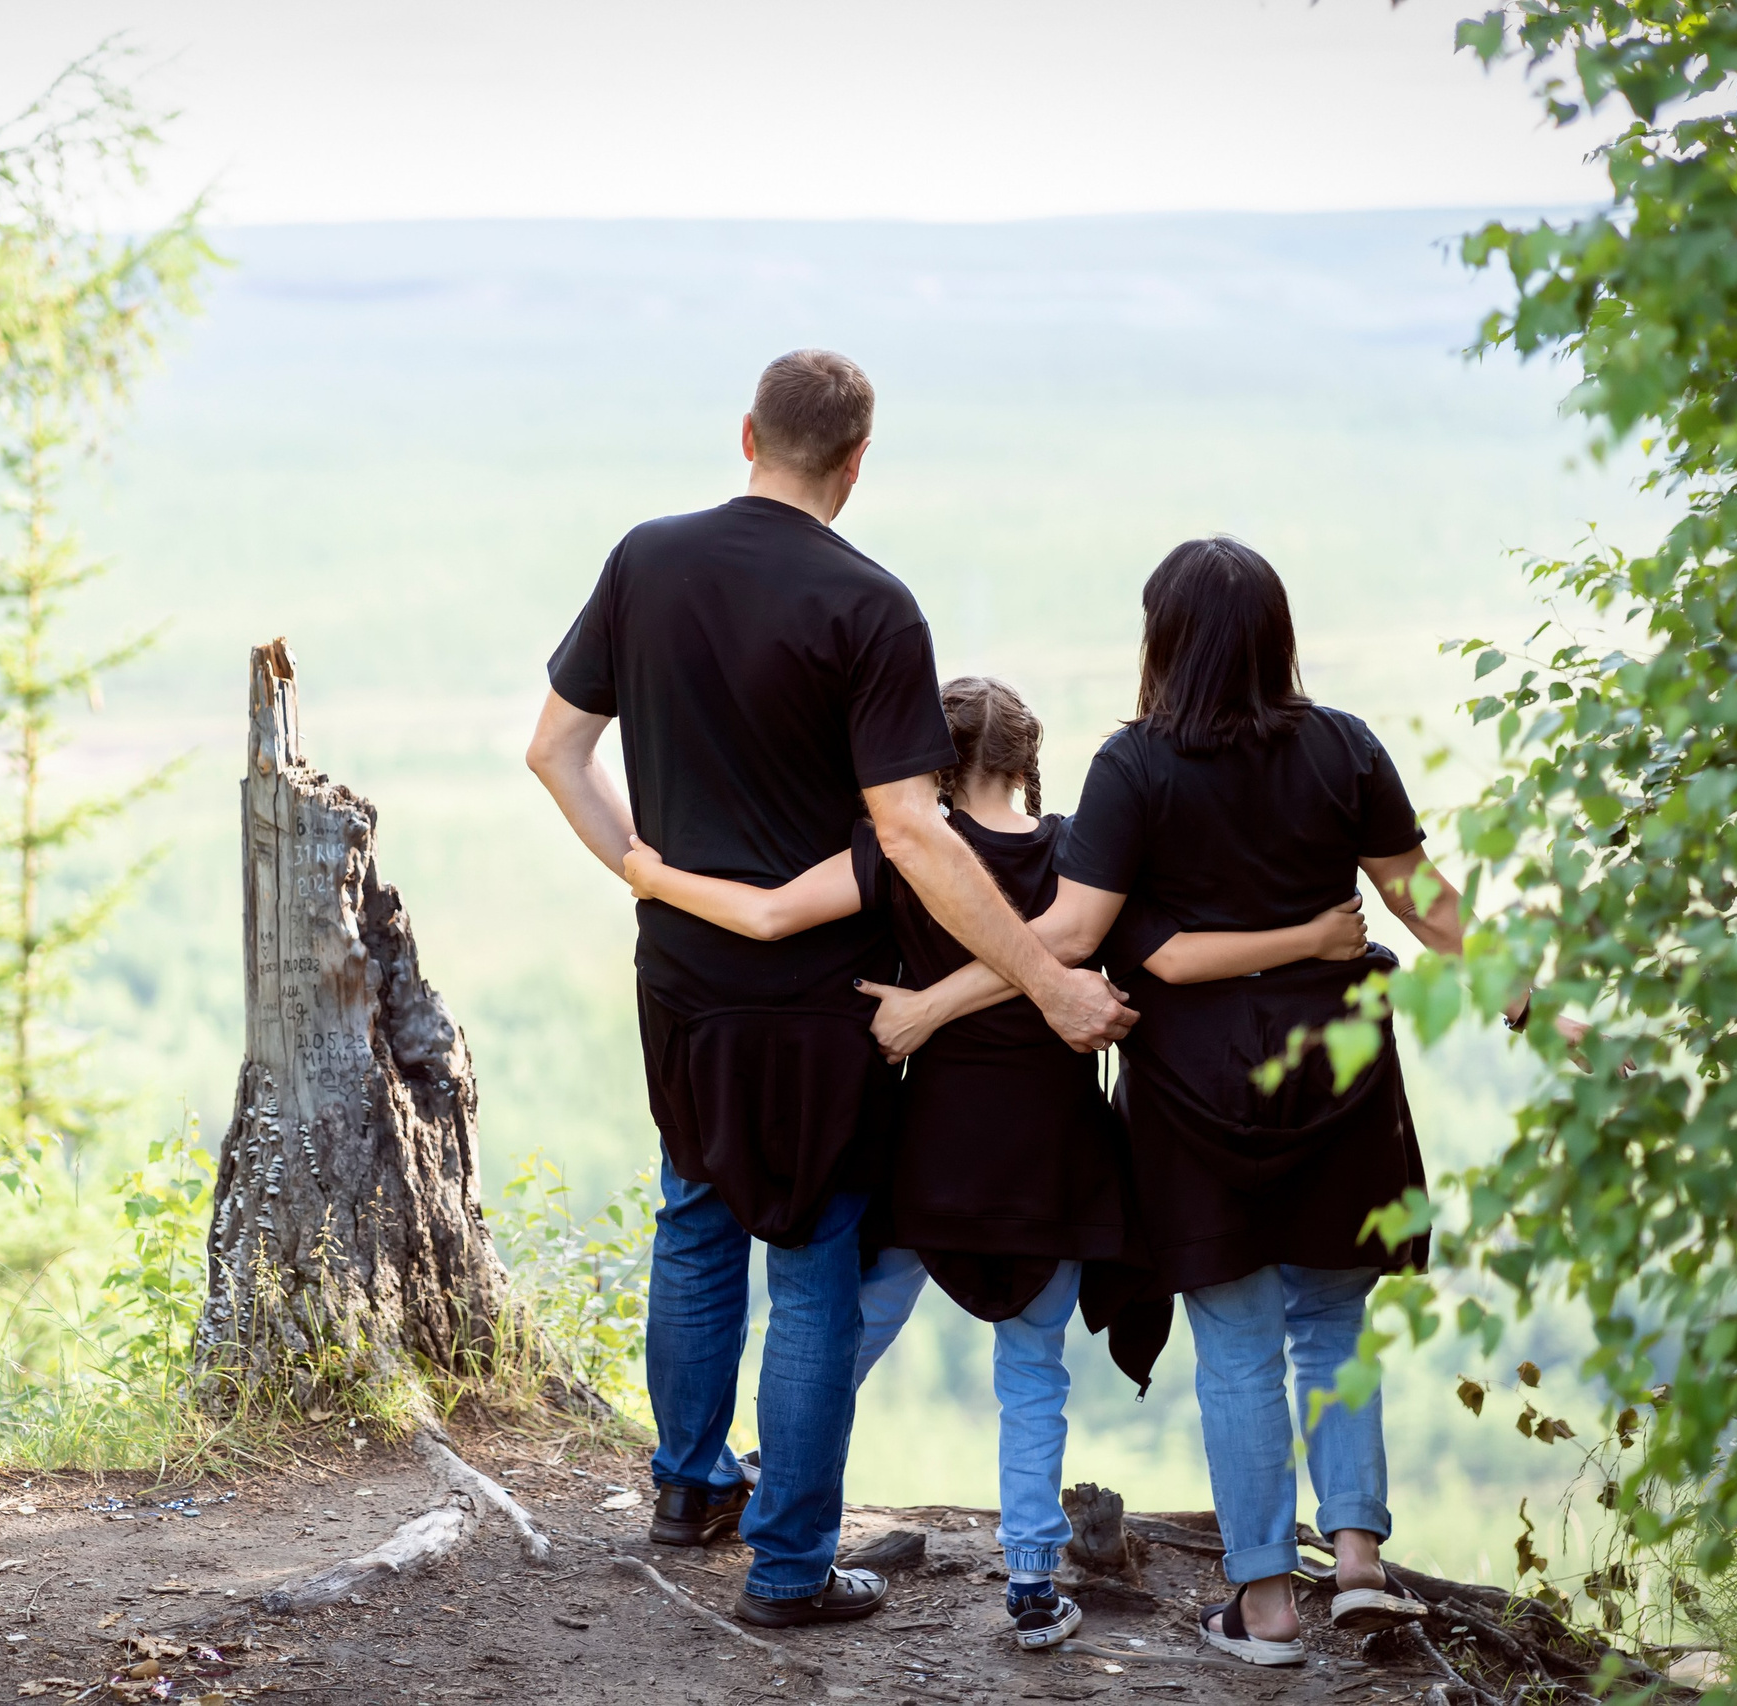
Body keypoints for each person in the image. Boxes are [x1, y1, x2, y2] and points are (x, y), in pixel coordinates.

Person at [526, 350, 1136, 1629]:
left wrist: (643, 868)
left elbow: (553, 750)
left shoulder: (646, 558)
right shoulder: (873, 607)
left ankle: (688, 1485)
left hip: (681, 973)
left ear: (745, 432)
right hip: (823, 998)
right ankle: (789, 1566)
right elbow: (914, 834)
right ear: (857, 464)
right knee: (807, 1268)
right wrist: (1048, 984)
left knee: (694, 1218)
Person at [625, 673, 1367, 1648]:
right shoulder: (1080, 856)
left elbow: (769, 913)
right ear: (1028, 756)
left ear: (930, 764)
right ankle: (1028, 1582)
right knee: (1032, 1372)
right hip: (1053, 1163)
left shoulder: (901, 852)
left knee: (842, 1332)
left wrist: (652, 873)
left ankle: (775, 1482)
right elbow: (1170, 946)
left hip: (927, 1153)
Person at [867, 537, 1453, 1665]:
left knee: (1236, 1345)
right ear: (1276, 634)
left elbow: (1074, 938)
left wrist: (930, 1005)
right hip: (1339, 1069)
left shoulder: (1135, 766)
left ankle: (1268, 1606)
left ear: (1163, 642)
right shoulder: (1345, 745)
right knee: (1333, 1323)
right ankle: (1362, 1562)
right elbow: (1414, 892)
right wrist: (1518, 976)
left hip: (1198, 1087)